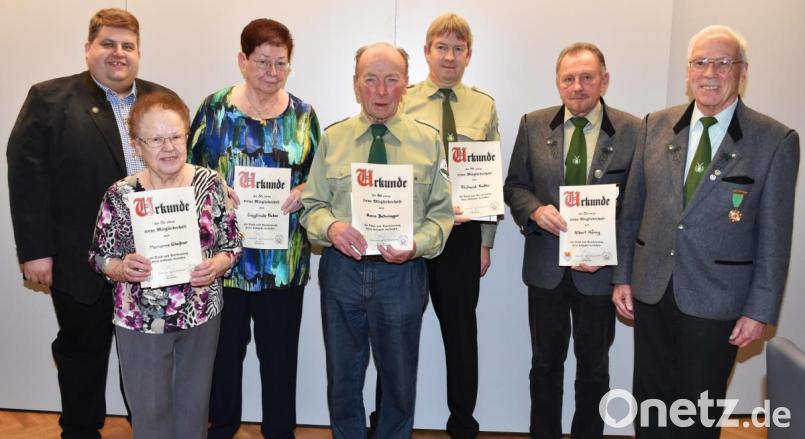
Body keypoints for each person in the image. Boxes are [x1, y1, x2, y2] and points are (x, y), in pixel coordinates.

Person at [611, 25, 800, 438]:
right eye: (701, 62)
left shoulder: (775, 140)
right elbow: (631, 212)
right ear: (688, 71)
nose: (710, 72)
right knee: (650, 403)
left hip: (718, 300)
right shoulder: (655, 127)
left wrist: (760, 310)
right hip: (652, 289)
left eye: (722, 62)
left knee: (698, 410)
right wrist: (622, 275)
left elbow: (775, 236)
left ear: (742, 72)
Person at [6, 8, 174, 438]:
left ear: (139, 53)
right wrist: (35, 251)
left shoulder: (161, 100)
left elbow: (180, 166)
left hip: (154, 260)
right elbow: (27, 176)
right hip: (80, 260)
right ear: (88, 49)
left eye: (128, 46)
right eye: (108, 43)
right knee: (83, 354)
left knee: (149, 358)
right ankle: (80, 431)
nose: (118, 53)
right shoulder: (49, 99)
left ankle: (150, 430)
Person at [300, 43, 453, 439]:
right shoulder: (333, 139)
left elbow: (441, 214)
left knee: (400, 386)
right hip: (342, 274)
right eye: (371, 79)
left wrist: (416, 245)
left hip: (402, 277)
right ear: (356, 85)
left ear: (406, 85)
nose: (381, 90)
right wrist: (332, 228)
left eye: (391, 79)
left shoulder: (428, 141)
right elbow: (311, 206)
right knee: (343, 383)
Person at [188, 18, 319, 439]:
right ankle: (221, 429)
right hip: (224, 263)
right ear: (242, 61)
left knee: (280, 359)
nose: (272, 72)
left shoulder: (303, 115)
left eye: (281, 63)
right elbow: (185, 173)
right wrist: (214, 186)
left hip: (283, 263)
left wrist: (302, 188)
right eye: (263, 61)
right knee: (223, 358)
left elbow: (321, 179)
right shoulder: (214, 109)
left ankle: (280, 432)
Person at [504, 43, 640, 439]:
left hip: (599, 273)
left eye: (587, 77)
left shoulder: (633, 130)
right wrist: (534, 210)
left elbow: (635, 204)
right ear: (558, 82)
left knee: (594, 368)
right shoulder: (533, 124)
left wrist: (613, 259)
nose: (577, 87)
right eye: (569, 78)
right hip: (546, 268)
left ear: (604, 79)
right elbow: (515, 186)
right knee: (544, 363)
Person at [88, 91, 242, 438]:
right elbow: (99, 256)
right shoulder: (120, 194)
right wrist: (121, 268)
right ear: (136, 144)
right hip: (140, 321)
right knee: (150, 414)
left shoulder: (211, 185)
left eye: (175, 136)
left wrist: (217, 265)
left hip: (201, 314)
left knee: (193, 409)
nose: (168, 147)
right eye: (156, 139)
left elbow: (232, 246)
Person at [375, 14, 498, 438]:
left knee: (461, 333)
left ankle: (463, 423)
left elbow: (489, 176)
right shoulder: (402, 98)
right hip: (409, 229)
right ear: (427, 52)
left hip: (462, 235)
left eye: (458, 48)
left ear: (468, 55)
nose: (449, 56)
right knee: (393, 332)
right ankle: (386, 420)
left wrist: (486, 240)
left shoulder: (484, 105)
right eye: (441, 47)